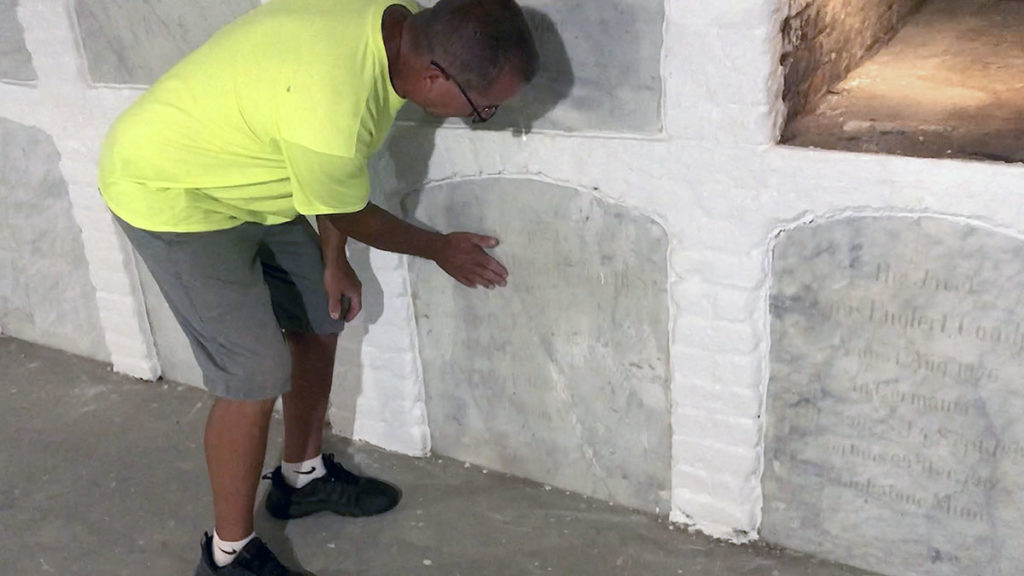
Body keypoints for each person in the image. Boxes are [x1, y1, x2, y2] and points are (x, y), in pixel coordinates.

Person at [97, 0, 539, 573]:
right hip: (169, 190)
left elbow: (340, 174)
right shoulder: (331, 105)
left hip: (251, 171)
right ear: (434, 75)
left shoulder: (388, 28)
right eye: (483, 108)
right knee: (253, 374)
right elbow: (347, 196)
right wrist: (439, 247)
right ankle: (227, 555)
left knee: (322, 310)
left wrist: (333, 261)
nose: (481, 115)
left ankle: (301, 479)